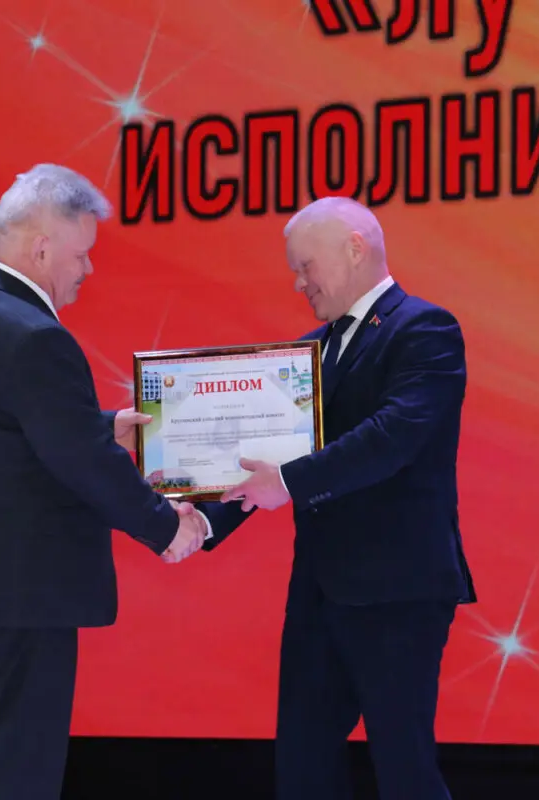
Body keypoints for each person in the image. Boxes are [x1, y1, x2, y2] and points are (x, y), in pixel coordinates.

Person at [0, 163, 207, 800]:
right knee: (18, 777)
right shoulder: (37, 336)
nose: (87, 269)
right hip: (17, 598)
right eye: (81, 254)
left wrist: (100, 425)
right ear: (42, 249)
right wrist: (165, 526)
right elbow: (80, 462)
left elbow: (0, 423)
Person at [196, 196, 476, 800]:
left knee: (404, 769)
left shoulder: (425, 330)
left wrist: (288, 483)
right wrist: (200, 520)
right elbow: (266, 456)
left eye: (305, 266)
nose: (298, 282)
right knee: (303, 766)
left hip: (398, 594)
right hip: (319, 592)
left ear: (354, 248)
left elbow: (391, 437)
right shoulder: (309, 352)